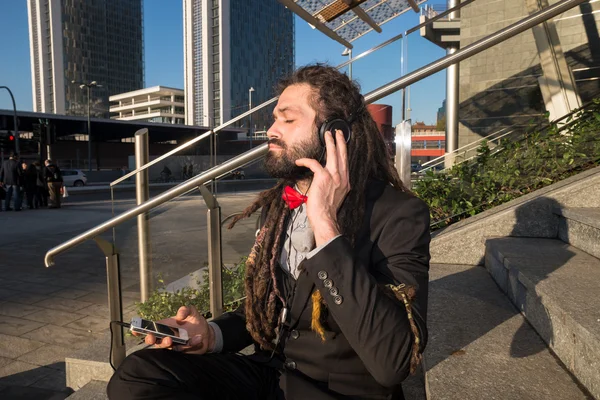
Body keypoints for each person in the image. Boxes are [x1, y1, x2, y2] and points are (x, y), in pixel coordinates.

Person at [108, 65, 431, 400]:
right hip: (269, 374)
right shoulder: (279, 206)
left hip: (335, 391)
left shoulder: (398, 215)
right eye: (274, 119)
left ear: (336, 133)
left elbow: (394, 361)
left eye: (287, 120)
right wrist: (210, 333)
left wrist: (325, 225)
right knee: (138, 374)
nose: (271, 131)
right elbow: (270, 303)